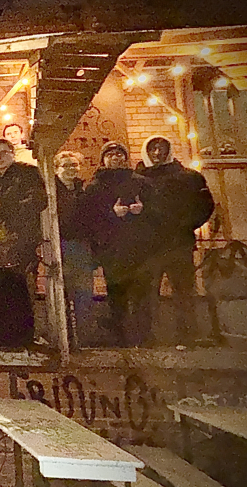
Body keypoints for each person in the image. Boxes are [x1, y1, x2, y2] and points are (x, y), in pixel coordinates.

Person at [136, 135, 215, 346]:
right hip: (148, 247)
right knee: (146, 295)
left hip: (179, 244)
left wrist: (185, 225)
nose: (157, 153)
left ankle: (187, 336)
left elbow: (205, 205)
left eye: (162, 148)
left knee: (184, 293)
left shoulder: (190, 177)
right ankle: (148, 339)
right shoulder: (135, 179)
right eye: (152, 149)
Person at [79, 142, 158, 346]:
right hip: (112, 249)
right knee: (116, 294)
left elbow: (158, 212)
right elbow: (88, 217)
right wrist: (111, 214)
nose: (115, 157)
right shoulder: (95, 186)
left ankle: (145, 336)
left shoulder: (141, 182)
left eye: (119, 154)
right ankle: (120, 336)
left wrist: (143, 210)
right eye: (110, 154)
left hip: (140, 248)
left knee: (142, 293)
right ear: (103, 159)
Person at [0, 139, 47, 348]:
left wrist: (3, 209)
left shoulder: (27, 173)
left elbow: (38, 201)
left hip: (22, 241)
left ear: (12, 153)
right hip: (0, 245)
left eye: (3, 152)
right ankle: (6, 339)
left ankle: (25, 340)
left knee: (20, 291)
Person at [52, 151, 97, 348]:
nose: (71, 169)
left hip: (82, 246)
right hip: (61, 244)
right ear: (57, 169)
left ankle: (83, 338)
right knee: (62, 293)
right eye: (66, 165)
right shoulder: (52, 192)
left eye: (74, 165)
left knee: (84, 293)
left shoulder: (82, 191)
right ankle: (65, 338)